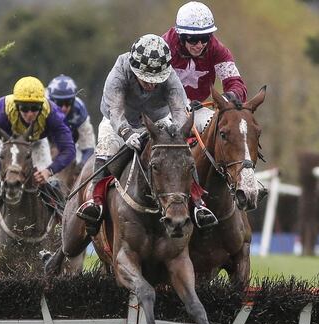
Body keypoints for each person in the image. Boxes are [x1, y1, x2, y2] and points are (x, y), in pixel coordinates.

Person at [75, 34, 218, 233]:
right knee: (107, 146)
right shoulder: (120, 71)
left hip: (157, 120)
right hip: (120, 121)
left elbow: (179, 111)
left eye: (156, 80)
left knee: (179, 151)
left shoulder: (169, 75)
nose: (152, 85)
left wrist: (175, 133)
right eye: (146, 79)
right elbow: (115, 112)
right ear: (135, 70)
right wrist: (126, 133)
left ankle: (198, 202)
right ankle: (94, 202)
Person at [0, 76, 77, 242]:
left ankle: (63, 223)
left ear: (42, 104)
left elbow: (69, 149)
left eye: (35, 108)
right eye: (25, 108)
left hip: (37, 143)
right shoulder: (0, 110)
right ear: (16, 105)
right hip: (9, 144)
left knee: (50, 183)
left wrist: (49, 171)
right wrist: (3, 169)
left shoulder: (53, 113)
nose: (30, 113)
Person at [162, 1, 247, 132]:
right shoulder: (163, 47)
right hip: (162, 109)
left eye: (205, 37)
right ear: (181, 35)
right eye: (193, 39)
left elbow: (237, 84)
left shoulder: (217, 50)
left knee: (223, 130)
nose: (199, 45)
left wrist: (224, 99)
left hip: (196, 109)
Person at [46, 74, 96, 165]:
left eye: (69, 102)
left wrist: (81, 167)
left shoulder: (79, 110)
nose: (64, 108)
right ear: (51, 100)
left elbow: (88, 148)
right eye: (59, 103)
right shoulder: (40, 108)